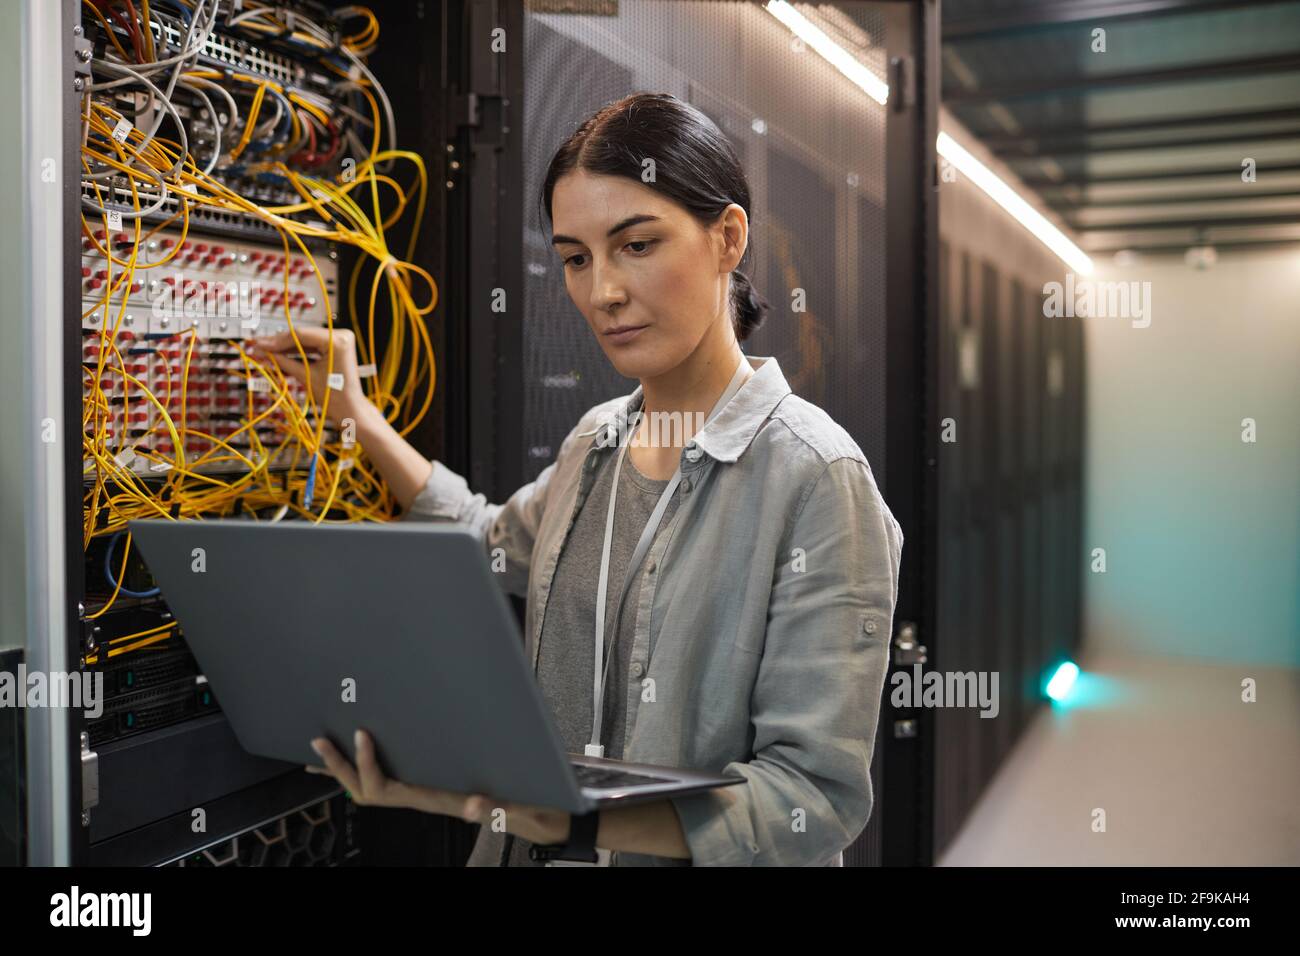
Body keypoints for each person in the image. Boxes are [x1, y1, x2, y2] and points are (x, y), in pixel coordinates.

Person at [247, 91, 902, 867]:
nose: (602, 293)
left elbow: (812, 800)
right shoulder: (597, 441)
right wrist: (357, 418)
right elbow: (486, 541)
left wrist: (575, 822)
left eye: (636, 245)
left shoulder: (816, 478)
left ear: (728, 238)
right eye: (576, 258)